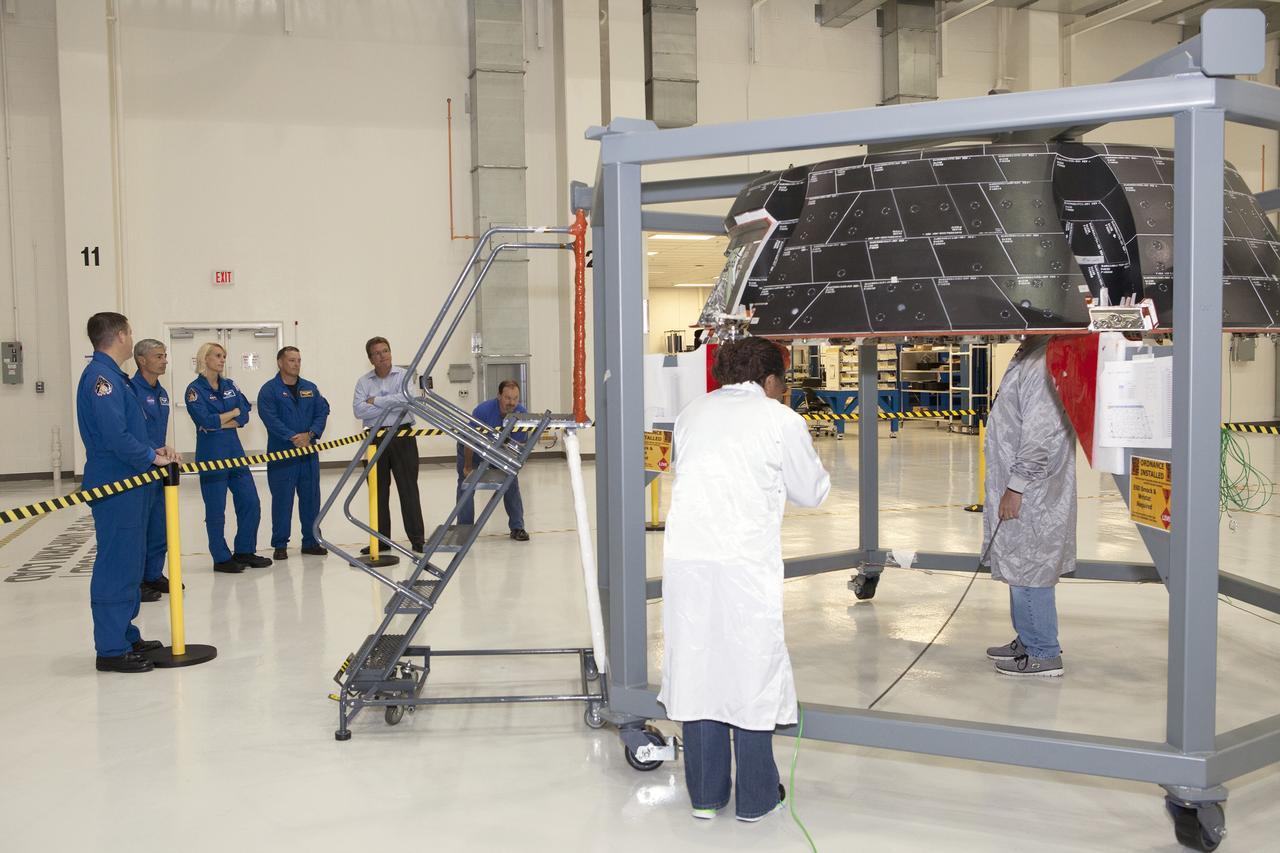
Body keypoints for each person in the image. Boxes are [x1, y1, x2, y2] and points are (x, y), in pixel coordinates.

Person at [657, 336, 830, 822]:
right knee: (749, 670)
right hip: (743, 567)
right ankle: (756, 799)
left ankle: (706, 797)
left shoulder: (693, 413)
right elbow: (811, 491)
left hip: (689, 564)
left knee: (698, 667)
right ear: (772, 380)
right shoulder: (780, 420)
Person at [77, 313, 180, 673]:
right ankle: (110, 648)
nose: (130, 337)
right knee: (117, 564)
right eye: (130, 333)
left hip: (133, 480)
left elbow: (130, 433)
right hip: (115, 482)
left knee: (133, 561)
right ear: (120, 336)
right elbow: (114, 437)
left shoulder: (116, 379)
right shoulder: (101, 379)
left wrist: (157, 452)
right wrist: (151, 456)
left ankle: (125, 633)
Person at [983, 336, 1076, 678]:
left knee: (1031, 565)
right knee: (1021, 561)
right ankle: (1028, 638)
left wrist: (1016, 486)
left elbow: (1040, 433)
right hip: (1021, 482)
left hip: (1031, 488)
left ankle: (1043, 652)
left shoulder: (1041, 361)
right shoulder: (1031, 352)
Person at [185, 342, 271, 573]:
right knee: (216, 509)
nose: (222, 360)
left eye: (224, 356)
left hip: (235, 451)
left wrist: (226, 418)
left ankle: (244, 550)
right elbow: (205, 421)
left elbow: (244, 413)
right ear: (205, 359)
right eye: (217, 356)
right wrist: (229, 415)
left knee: (250, 501)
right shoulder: (194, 390)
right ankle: (221, 557)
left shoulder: (230, 385)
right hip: (211, 454)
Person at [353, 337, 426, 552]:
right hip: (374, 439)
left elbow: (407, 400)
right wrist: (392, 403)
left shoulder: (403, 377)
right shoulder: (363, 382)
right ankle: (380, 541)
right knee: (378, 492)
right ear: (370, 359)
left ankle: (417, 540)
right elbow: (359, 411)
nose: (382, 356)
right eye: (377, 353)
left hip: (402, 436)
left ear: (391, 353)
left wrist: (374, 401)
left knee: (408, 489)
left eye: (385, 351)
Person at [257, 346, 330, 560]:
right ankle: (280, 544)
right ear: (280, 363)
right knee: (282, 500)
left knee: (311, 499)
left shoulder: (310, 388)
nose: (296, 364)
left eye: (298, 360)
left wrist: (312, 434)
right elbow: (269, 418)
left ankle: (311, 541)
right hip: (282, 455)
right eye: (291, 360)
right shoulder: (269, 390)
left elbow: (322, 410)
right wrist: (293, 437)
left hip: (308, 453)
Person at [456, 380, 529, 541]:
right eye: (507, 398)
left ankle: (517, 527)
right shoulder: (483, 410)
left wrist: (510, 469)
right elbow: (470, 439)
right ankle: (464, 528)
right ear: (499, 397)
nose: (511, 402)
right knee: (466, 484)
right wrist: (468, 467)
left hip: (499, 450)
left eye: (515, 398)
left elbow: (516, 447)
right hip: (472, 448)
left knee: (511, 482)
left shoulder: (521, 414)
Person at [131, 338, 175, 601]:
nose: (164, 360)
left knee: (160, 525)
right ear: (142, 360)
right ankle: (137, 581)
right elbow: (132, 433)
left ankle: (153, 574)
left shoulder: (162, 392)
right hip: (140, 466)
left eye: (165, 355)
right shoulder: (131, 391)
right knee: (139, 527)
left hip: (159, 466)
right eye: (159, 356)